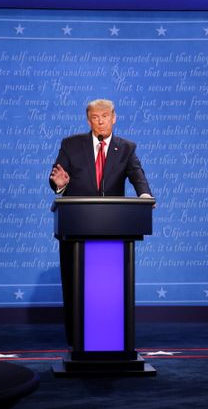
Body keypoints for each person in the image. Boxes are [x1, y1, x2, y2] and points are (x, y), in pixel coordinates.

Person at [49, 98, 152, 347]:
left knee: (110, 290)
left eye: (105, 116)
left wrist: (145, 195)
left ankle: (112, 340)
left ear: (114, 118)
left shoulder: (126, 148)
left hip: (113, 228)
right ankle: (77, 341)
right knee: (75, 286)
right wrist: (60, 184)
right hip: (76, 227)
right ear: (89, 120)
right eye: (95, 117)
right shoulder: (71, 145)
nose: (101, 121)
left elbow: (137, 176)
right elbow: (56, 177)